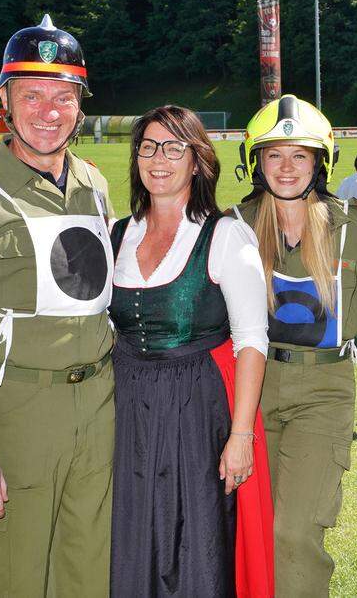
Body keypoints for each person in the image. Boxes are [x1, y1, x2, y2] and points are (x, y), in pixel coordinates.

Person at [0, 15, 117, 596]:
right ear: (4, 98)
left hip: (99, 408)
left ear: (81, 105)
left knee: (89, 574)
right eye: (32, 94)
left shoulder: (93, 183)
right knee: (15, 578)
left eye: (64, 96)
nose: (48, 111)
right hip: (18, 415)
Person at [108, 106, 271, 596]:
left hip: (196, 410)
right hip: (128, 408)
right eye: (149, 147)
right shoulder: (117, 233)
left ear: (197, 161)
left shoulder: (224, 235)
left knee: (194, 539)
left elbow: (251, 340)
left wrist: (240, 434)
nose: (159, 158)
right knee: (134, 534)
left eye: (174, 147)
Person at [230, 95, 357, 596]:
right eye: (274, 154)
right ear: (256, 160)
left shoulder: (355, 227)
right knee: (249, 530)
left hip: (323, 388)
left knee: (295, 533)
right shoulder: (233, 226)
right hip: (251, 388)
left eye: (300, 154)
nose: (287, 166)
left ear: (322, 160)